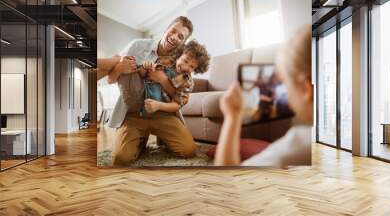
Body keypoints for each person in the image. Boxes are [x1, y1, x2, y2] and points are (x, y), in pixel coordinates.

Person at [106, 16, 203, 166]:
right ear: (166, 29)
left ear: (183, 43)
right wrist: (129, 68)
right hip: (135, 113)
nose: (175, 37)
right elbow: (113, 79)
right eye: (173, 31)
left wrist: (163, 80)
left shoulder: (180, 64)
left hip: (163, 114)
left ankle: (161, 136)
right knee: (121, 159)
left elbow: (180, 99)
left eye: (180, 37)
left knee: (188, 150)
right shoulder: (138, 46)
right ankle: (140, 139)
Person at [214, 25, 312, 168]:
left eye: (286, 83)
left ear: (305, 89)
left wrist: (232, 117)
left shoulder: (296, 146)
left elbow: (227, 182)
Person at [139, 40, 210, 117]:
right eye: (185, 61)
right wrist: (145, 67)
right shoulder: (166, 61)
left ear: (196, 69)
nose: (185, 67)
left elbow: (177, 104)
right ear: (179, 56)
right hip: (145, 97)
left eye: (192, 67)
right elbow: (144, 75)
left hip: (163, 111)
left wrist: (158, 105)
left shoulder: (186, 82)